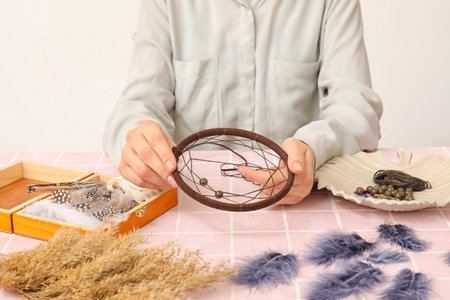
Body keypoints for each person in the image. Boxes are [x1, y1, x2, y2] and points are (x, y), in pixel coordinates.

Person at [103, 0, 383, 205]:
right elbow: (139, 101)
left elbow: (356, 108)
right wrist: (139, 140)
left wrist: (313, 148)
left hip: (298, 203)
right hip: (190, 201)